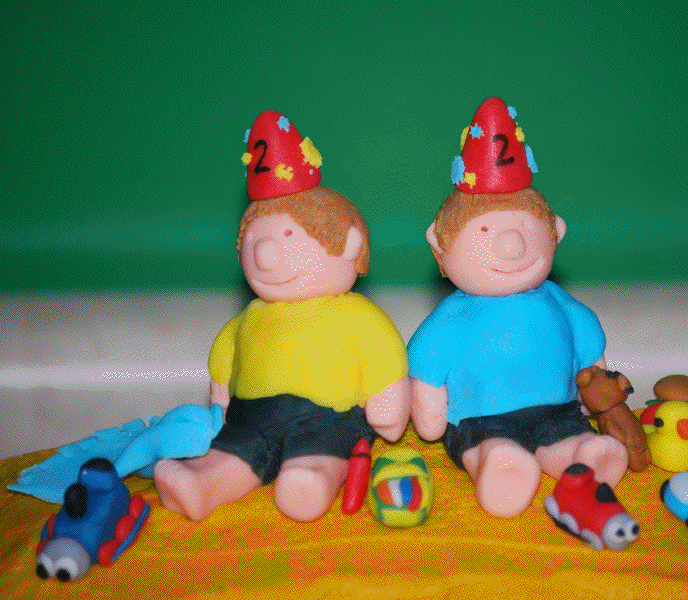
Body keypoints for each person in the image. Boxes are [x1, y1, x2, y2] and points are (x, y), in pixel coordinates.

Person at [154, 111, 409, 522]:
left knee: (317, 451)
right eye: (258, 238)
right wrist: (221, 402)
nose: (266, 254)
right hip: (252, 415)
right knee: (236, 452)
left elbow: (384, 354)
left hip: (326, 415)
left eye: (289, 236)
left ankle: (310, 479)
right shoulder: (247, 319)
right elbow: (225, 362)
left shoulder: (353, 315)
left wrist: (388, 404)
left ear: (349, 244)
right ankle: (202, 483)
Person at [408, 98, 636, 518]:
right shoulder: (452, 317)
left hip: (559, 410)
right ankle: (497, 464)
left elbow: (588, 348)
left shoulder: (557, 301)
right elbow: (426, 368)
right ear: (439, 243)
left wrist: (592, 388)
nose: (512, 246)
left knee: (567, 435)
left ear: (555, 232)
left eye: (526, 229)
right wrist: (430, 413)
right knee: (491, 443)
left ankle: (581, 455)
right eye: (485, 231)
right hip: (481, 418)